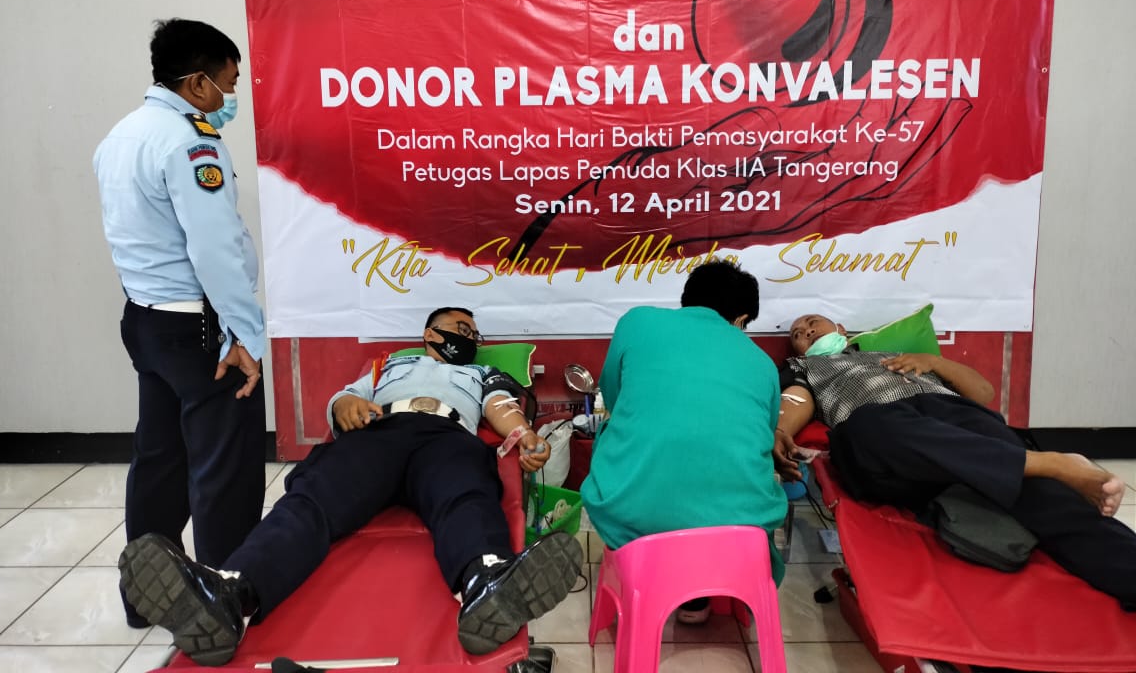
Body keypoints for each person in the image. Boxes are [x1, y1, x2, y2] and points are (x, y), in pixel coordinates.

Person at [119, 307, 583, 666]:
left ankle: (485, 584)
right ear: (430, 335)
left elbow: (502, 406)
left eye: (474, 335)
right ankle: (229, 597)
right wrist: (344, 408)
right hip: (378, 432)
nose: (470, 339)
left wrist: (525, 436)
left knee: (466, 496)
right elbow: (347, 397)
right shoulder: (387, 367)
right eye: (460, 329)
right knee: (311, 502)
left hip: (447, 436)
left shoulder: (480, 373)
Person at [776, 313, 1136, 611]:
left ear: (840, 328)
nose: (805, 332)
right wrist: (780, 432)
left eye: (812, 323)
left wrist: (934, 362)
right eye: (797, 334)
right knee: (863, 427)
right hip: (893, 447)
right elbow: (795, 401)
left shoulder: (897, 353)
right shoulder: (802, 368)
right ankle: (1047, 463)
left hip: (953, 420)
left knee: (1051, 500)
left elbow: (983, 394)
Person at [94, 18, 266, 627]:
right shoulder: (191, 143)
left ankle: (146, 599)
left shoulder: (122, 134)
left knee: (159, 459)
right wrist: (244, 335)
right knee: (225, 468)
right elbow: (213, 250)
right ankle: (223, 603)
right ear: (196, 83)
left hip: (146, 321)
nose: (231, 96)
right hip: (201, 332)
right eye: (228, 83)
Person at [581, 261, 788, 625]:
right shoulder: (763, 362)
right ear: (741, 319)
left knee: (613, 433)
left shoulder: (638, 322)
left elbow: (613, 396)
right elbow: (764, 433)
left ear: (687, 298)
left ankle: (657, 572)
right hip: (741, 526)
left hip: (633, 512)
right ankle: (700, 591)